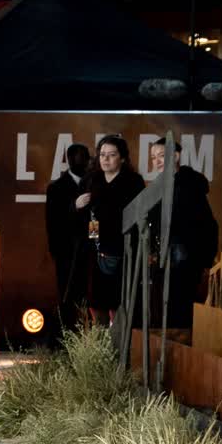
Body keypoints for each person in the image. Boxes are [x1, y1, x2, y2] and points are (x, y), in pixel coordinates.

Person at [146, 139, 219, 333]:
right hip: (163, 258)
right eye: (153, 157)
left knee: (180, 309)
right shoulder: (157, 187)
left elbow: (207, 225)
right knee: (164, 308)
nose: (157, 161)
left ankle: (181, 345)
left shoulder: (189, 185)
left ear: (176, 156)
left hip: (185, 258)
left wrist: (204, 259)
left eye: (162, 156)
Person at [82, 134, 144, 327]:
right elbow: (90, 217)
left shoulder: (133, 182)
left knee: (119, 303)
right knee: (96, 303)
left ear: (122, 158)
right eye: (102, 155)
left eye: (112, 155)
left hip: (124, 251)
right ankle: (100, 343)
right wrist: (77, 205)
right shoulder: (93, 180)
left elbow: (138, 218)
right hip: (97, 250)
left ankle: (119, 342)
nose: (106, 159)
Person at [44, 142, 91, 332]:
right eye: (76, 158)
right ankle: (67, 336)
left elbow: (95, 217)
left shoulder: (94, 184)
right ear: (68, 160)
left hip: (90, 250)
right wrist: (74, 207)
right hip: (66, 252)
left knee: (89, 295)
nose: (81, 162)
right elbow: (52, 221)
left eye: (84, 158)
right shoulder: (56, 188)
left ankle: (90, 335)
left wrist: (94, 239)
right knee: (67, 295)